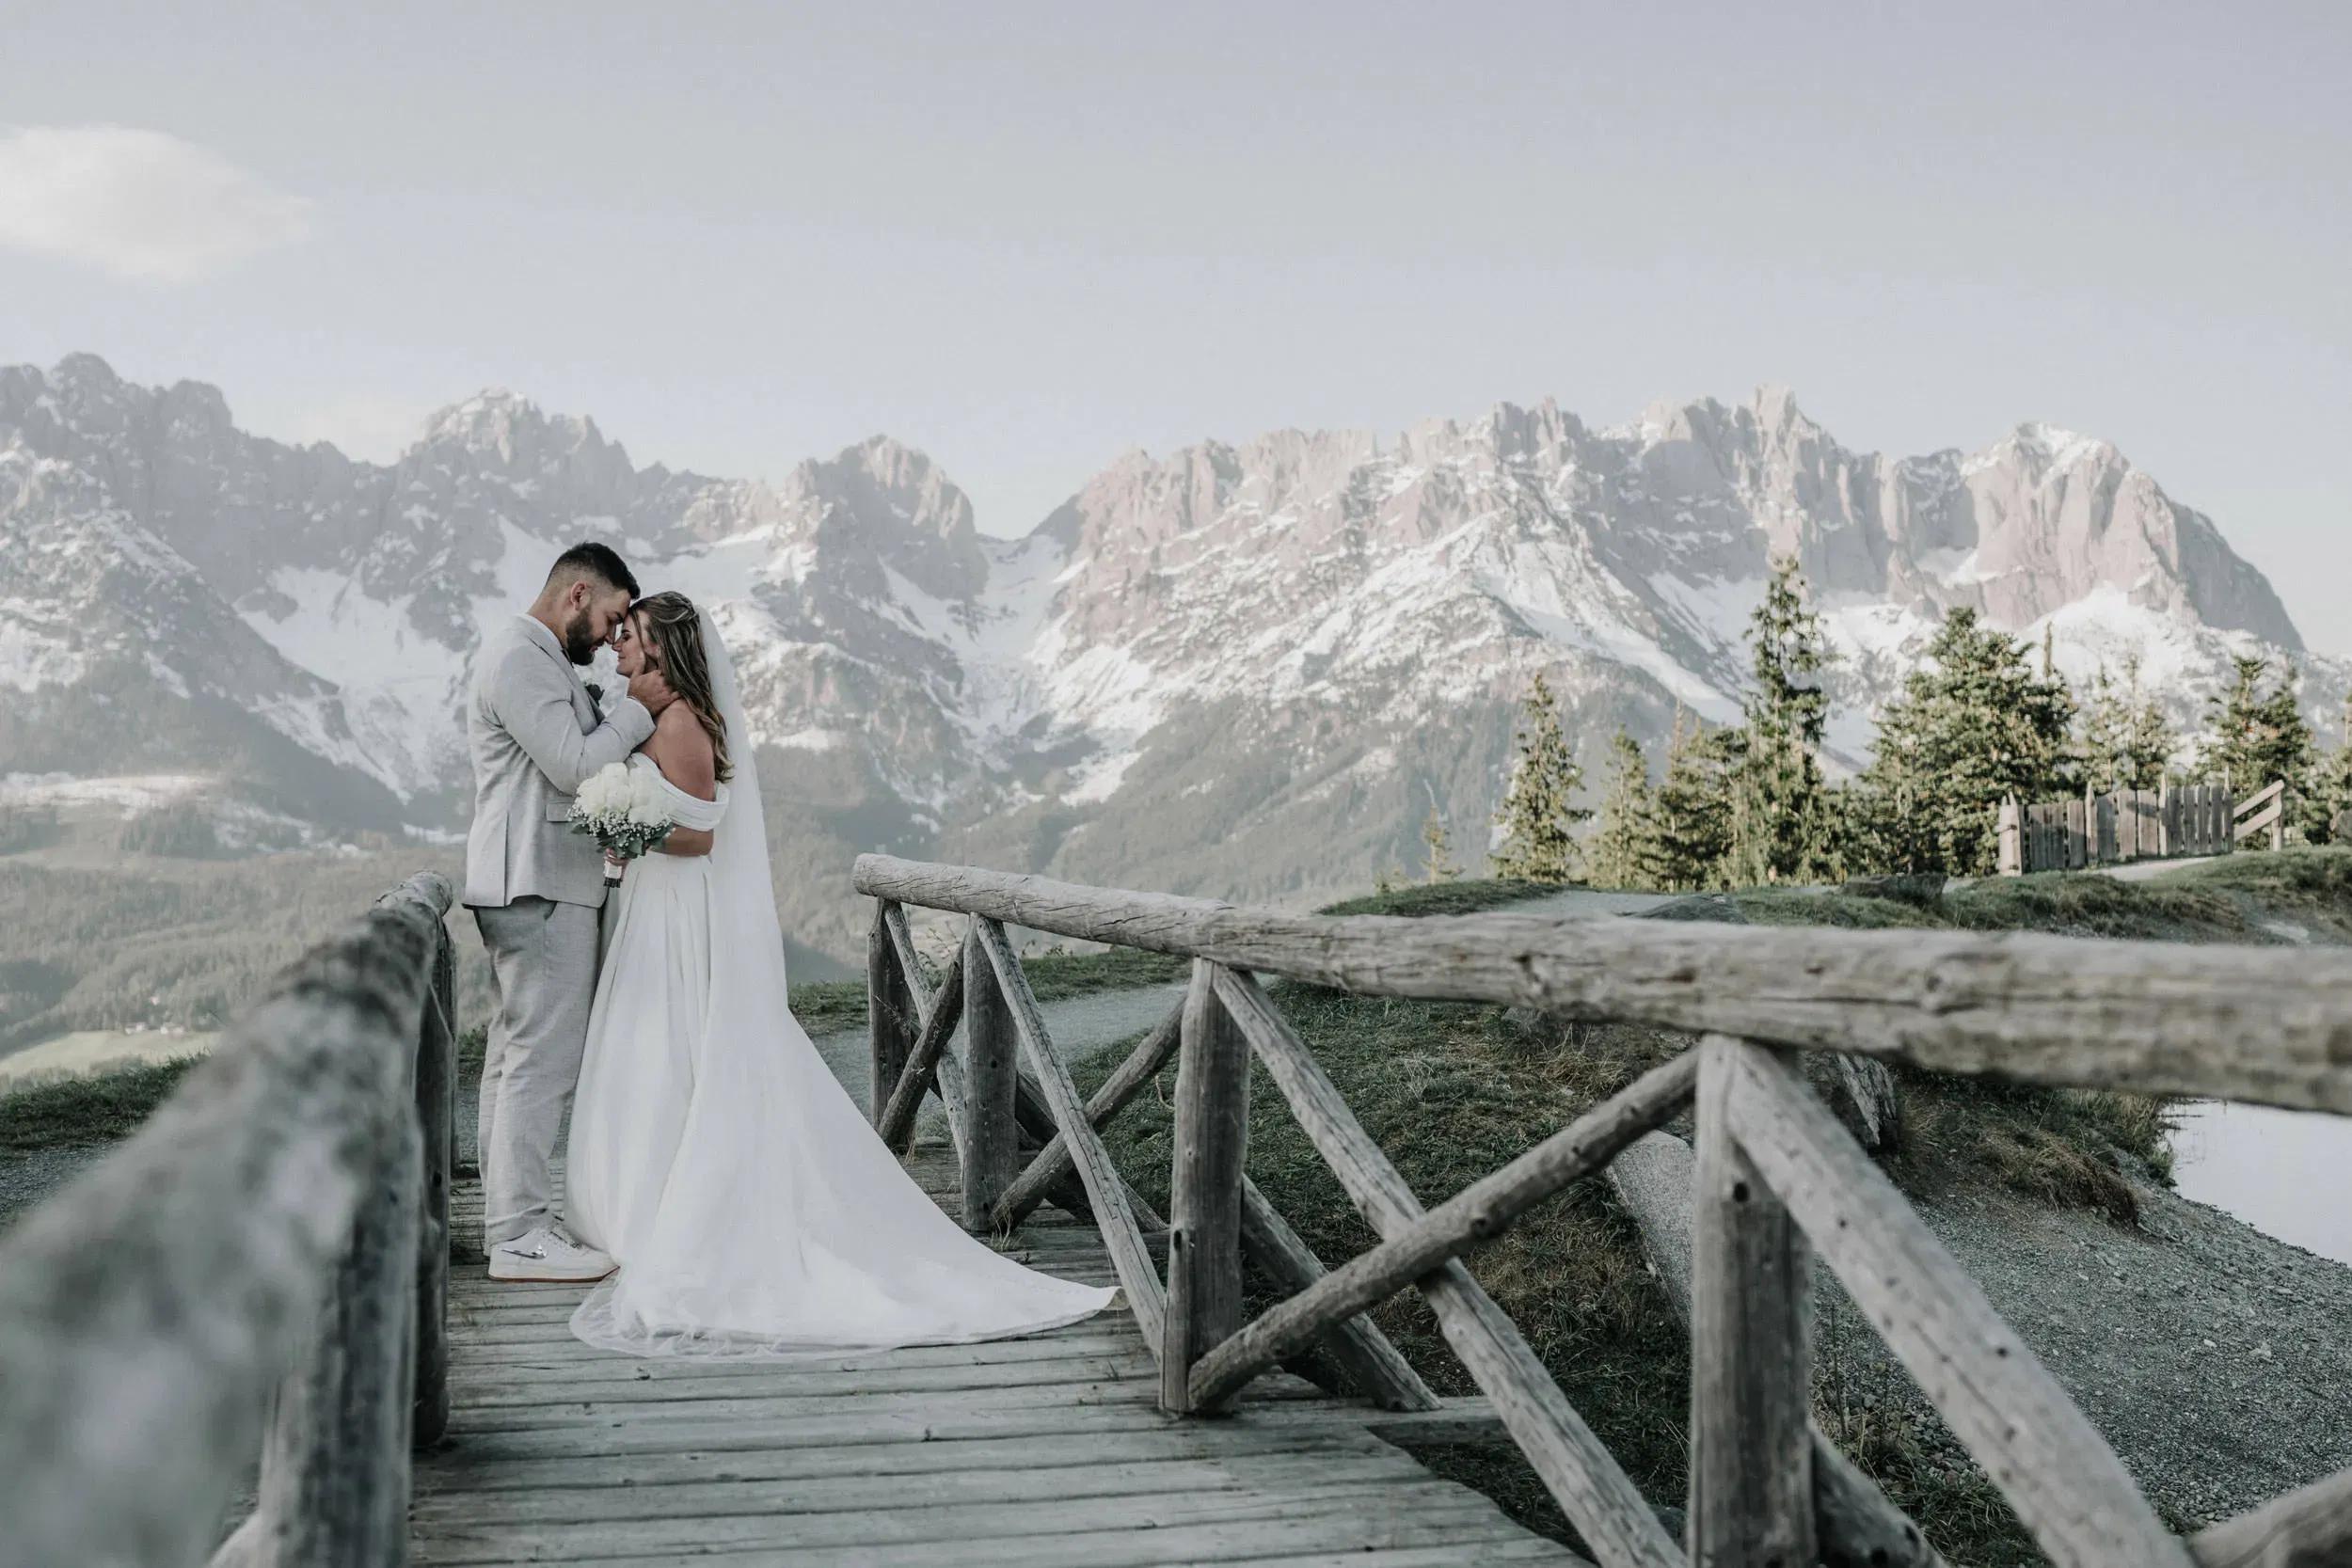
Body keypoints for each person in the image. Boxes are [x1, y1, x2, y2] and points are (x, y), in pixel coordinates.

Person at [564, 592, 1113, 1355]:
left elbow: (701, 835)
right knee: (650, 1047)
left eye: (632, 634)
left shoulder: (682, 720)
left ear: (663, 649)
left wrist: (631, 828)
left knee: (679, 1045)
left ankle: (676, 1203)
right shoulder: (656, 715)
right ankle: (641, 1199)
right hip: (654, 906)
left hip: (679, 908)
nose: (619, 643)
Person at [463, 544, 677, 1282]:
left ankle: (508, 1219)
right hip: (539, 881)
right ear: (578, 593)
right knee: (541, 1062)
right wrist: (639, 708)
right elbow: (575, 766)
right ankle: (520, 1232)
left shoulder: (535, 655)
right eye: (613, 616)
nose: (613, 635)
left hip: (530, 879)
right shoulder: (520, 658)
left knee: (514, 1059)